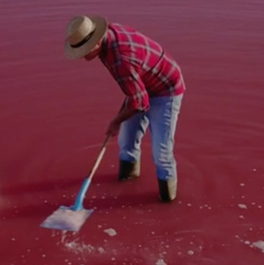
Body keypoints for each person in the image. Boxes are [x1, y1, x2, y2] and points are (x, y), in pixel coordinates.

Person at [64, 15, 185, 202]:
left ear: (95, 43)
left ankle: (168, 201)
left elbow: (139, 102)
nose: (82, 56)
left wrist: (116, 120)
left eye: (84, 51)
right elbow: (137, 96)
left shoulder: (120, 59)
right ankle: (128, 179)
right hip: (140, 84)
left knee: (161, 153)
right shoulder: (108, 37)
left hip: (166, 89)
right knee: (126, 142)